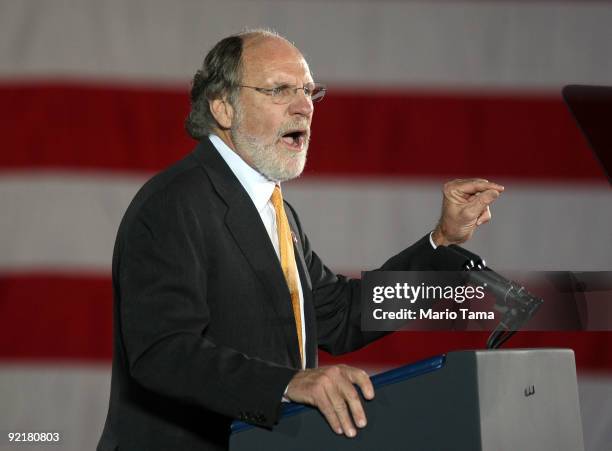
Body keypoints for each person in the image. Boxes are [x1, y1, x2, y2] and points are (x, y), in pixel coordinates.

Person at [97, 29, 503, 451]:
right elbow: (163, 352)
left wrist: (440, 242)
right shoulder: (175, 203)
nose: (304, 106)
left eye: (308, 90)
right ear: (223, 108)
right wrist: (290, 384)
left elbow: (340, 315)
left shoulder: (274, 210)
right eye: (279, 90)